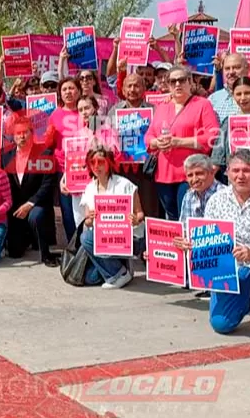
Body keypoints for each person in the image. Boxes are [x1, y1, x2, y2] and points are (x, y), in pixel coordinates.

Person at [183, 149, 250, 347]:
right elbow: (207, 240)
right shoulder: (216, 200)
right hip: (231, 271)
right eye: (235, 171)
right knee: (221, 324)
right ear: (227, 173)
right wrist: (190, 245)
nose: (240, 176)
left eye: (246, 170)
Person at [146, 66, 219, 220]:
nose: (177, 84)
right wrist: (156, 142)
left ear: (190, 82)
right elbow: (149, 136)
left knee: (189, 218)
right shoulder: (162, 107)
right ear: (168, 85)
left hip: (191, 173)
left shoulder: (202, 104)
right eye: (173, 81)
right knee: (172, 219)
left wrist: (178, 142)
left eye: (181, 80)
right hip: (164, 174)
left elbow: (212, 136)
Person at [76, 145, 144, 288]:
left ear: (109, 163)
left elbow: (140, 214)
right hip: (102, 239)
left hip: (128, 238)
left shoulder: (125, 184)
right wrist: (90, 218)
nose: (96, 166)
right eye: (92, 162)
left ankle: (120, 273)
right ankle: (120, 269)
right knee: (90, 279)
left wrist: (135, 219)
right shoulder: (89, 188)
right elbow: (87, 223)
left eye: (100, 162)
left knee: (86, 238)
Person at [3, 117, 59, 266]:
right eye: (18, 133)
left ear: (32, 133)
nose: (21, 136)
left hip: (37, 204)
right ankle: (26, 237)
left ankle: (45, 253)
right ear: (13, 136)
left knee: (35, 216)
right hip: (16, 206)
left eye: (25, 132)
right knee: (15, 253)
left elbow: (47, 185)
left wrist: (30, 204)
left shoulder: (44, 153)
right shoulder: (6, 155)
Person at [111, 73, 163, 220]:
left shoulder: (155, 110)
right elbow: (107, 136)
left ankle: (147, 241)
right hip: (123, 168)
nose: (132, 89)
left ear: (144, 88)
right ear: (123, 89)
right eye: (129, 85)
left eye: (137, 85)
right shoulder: (114, 111)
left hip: (147, 168)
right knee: (126, 207)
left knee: (149, 208)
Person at [46, 77, 84, 241]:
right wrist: (49, 135)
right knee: (68, 211)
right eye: (64, 89)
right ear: (60, 94)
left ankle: (87, 245)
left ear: (78, 91)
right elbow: (48, 144)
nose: (68, 92)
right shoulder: (55, 115)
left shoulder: (87, 111)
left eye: (71, 88)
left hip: (86, 168)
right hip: (63, 169)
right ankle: (73, 247)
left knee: (85, 209)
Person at [208, 53, 250, 125]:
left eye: (236, 67)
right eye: (227, 68)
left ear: (247, 68)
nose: (231, 72)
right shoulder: (213, 99)